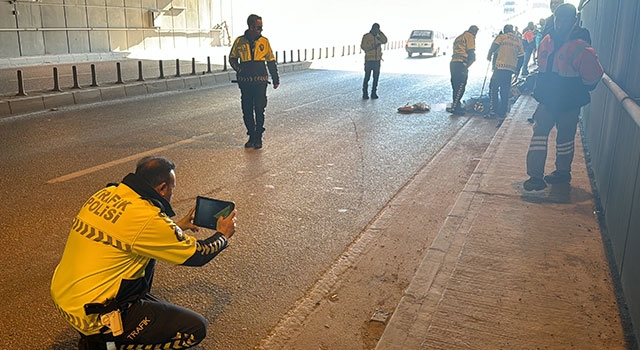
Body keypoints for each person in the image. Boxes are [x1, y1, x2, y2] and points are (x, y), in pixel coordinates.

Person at [50, 156, 237, 349]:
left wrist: (177, 226)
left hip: (66, 297)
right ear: (163, 188)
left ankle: (104, 338)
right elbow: (198, 254)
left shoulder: (108, 193)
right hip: (96, 314)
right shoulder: (147, 218)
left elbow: (131, 232)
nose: (172, 192)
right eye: (173, 187)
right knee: (194, 329)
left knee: (145, 262)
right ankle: (107, 345)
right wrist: (223, 235)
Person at [523, 3, 604, 191]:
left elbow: (593, 75)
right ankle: (535, 176)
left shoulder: (580, 46)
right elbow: (542, 70)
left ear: (574, 20)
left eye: (564, 20)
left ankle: (562, 172)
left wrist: (574, 89)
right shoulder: (548, 40)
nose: (560, 24)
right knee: (540, 134)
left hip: (568, 101)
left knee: (565, 138)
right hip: (551, 99)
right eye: (558, 19)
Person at [229, 14, 279, 149]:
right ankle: (251, 135)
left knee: (259, 108)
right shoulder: (239, 41)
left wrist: (275, 78)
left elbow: (271, 61)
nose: (261, 30)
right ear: (251, 27)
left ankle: (258, 137)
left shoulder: (264, 42)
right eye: (259, 27)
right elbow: (232, 58)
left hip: (260, 81)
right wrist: (239, 69)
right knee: (247, 109)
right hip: (245, 82)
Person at [486, 24, 524, 121]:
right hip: (510, 69)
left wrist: (489, 55)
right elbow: (521, 56)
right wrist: (517, 70)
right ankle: (502, 112)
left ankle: (493, 111)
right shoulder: (518, 40)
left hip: (500, 67)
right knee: (505, 90)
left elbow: (494, 46)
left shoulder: (502, 37)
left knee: (493, 88)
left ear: (505, 30)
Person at [446, 25, 479, 115]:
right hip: (461, 63)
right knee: (461, 86)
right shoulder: (470, 37)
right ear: (474, 32)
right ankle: (456, 108)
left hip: (453, 63)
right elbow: (471, 53)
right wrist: (466, 65)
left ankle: (456, 104)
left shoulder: (459, 37)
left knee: (455, 86)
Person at [360, 23, 387, 99]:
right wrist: (372, 47)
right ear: (372, 29)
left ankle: (374, 93)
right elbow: (363, 46)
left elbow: (385, 41)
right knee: (367, 77)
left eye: (378, 29)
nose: (376, 31)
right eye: (375, 29)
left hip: (377, 60)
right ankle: (365, 93)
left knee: (376, 78)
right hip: (369, 60)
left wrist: (380, 33)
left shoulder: (378, 36)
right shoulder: (366, 36)